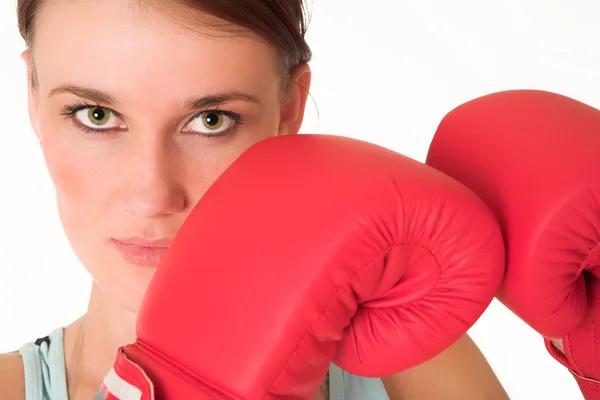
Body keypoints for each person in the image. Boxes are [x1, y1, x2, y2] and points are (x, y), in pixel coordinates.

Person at [0, 0, 510, 399]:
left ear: (289, 111)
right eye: (95, 115)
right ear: (33, 100)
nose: (153, 196)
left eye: (211, 120)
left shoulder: (413, 371)